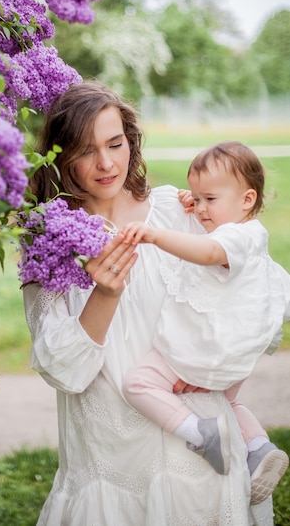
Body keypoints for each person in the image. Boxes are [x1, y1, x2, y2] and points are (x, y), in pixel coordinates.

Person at [23, 80, 281, 525]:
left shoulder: (179, 211)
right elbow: (64, 370)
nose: (106, 163)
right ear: (60, 157)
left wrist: (218, 362)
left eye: (115, 143)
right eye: (85, 151)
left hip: (200, 453)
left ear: (131, 141)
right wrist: (104, 293)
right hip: (108, 454)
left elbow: (258, 293)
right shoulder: (51, 244)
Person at [120, 141, 290, 505]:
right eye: (197, 199)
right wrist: (196, 202)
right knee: (230, 402)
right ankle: (258, 448)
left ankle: (200, 433)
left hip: (208, 346)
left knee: (139, 383)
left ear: (246, 200)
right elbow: (209, 227)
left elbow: (210, 251)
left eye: (209, 199)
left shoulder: (237, 236)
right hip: (237, 352)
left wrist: (155, 234)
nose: (199, 209)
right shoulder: (248, 232)